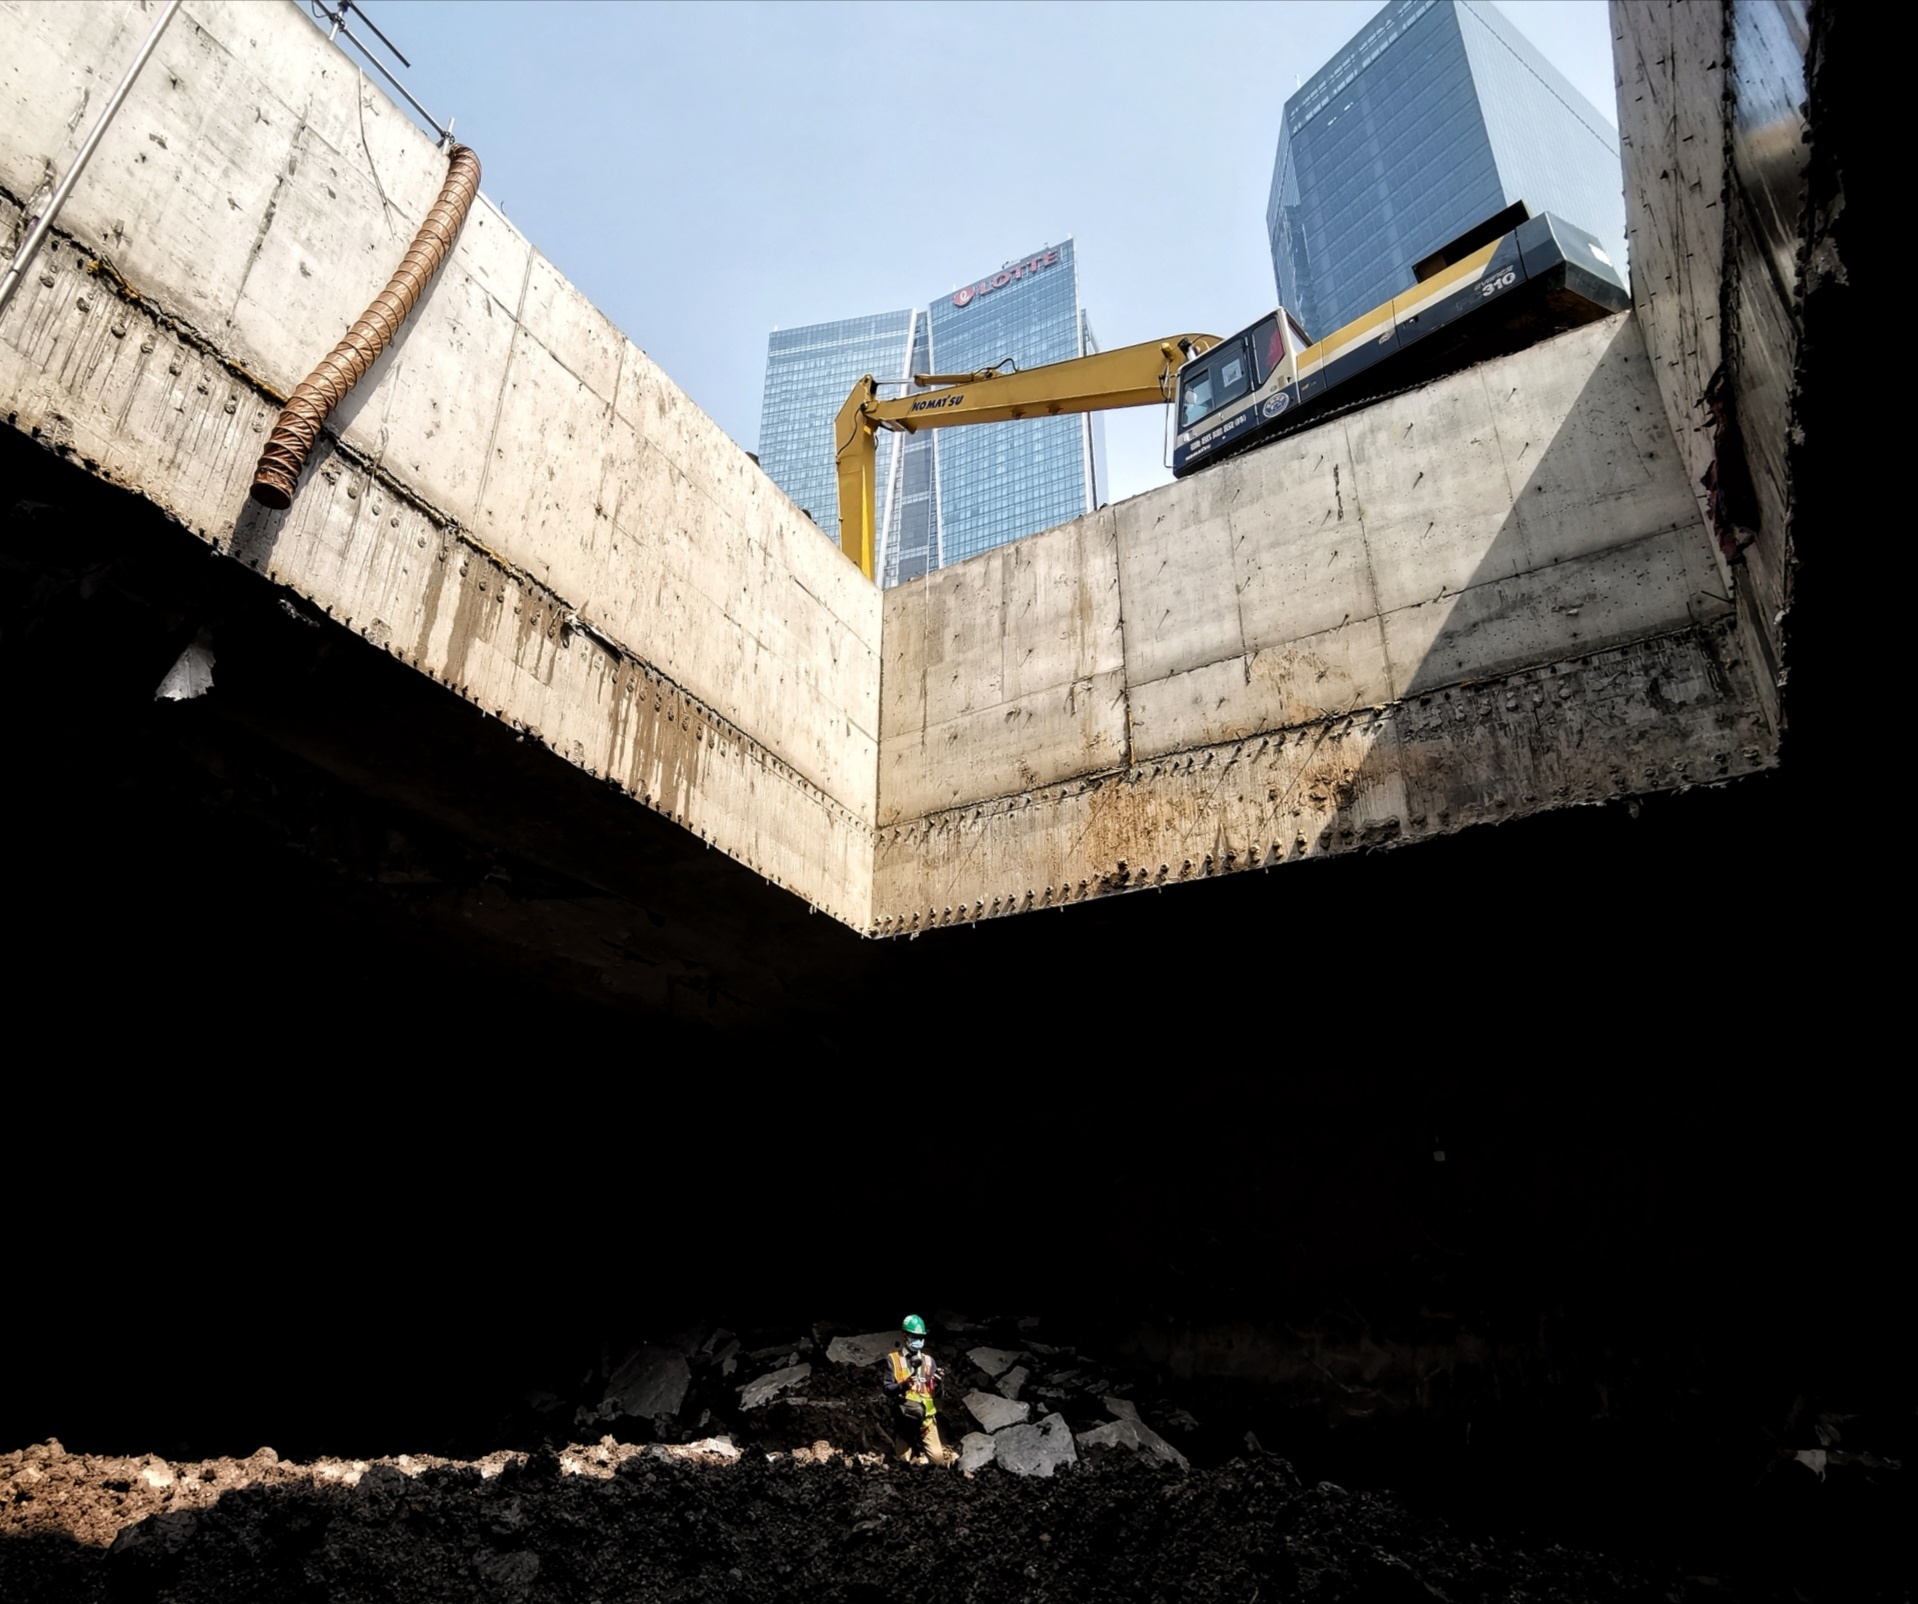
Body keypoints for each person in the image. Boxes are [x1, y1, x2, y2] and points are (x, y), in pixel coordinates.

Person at [881, 1313, 957, 1466]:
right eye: (914, 1337)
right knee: (902, 1462)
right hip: (905, 1418)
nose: (918, 1341)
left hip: (926, 1419)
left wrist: (938, 1383)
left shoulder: (929, 1361)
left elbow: (938, 1394)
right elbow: (887, 1389)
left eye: (921, 1337)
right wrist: (903, 1385)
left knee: (938, 1461)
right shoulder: (894, 1359)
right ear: (905, 1336)